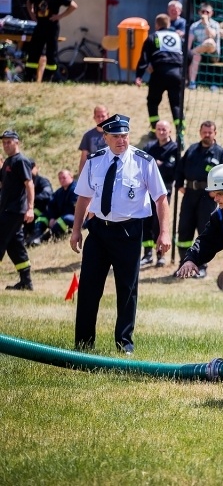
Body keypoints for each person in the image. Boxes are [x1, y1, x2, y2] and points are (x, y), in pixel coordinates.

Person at [69, 114, 171, 354]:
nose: (121, 140)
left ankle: (124, 343)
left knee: (127, 289)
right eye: (115, 136)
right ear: (104, 137)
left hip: (128, 232)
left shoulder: (143, 161)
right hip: (98, 231)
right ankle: (83, 344)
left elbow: (161, 198)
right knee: (88, 288)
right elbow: (83, 197)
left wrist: (164, 232)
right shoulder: (94, 161)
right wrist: (75, 231)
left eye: (124, 135)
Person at [174, 121, 223, 278]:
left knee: (204, 231)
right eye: (204, 132)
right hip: (189, 196)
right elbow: (180, 168)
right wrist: (179, 184)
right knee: (184, 229)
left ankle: (201, 266)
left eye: (209, 132)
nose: (206, 135)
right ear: (200, 132)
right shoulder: (192, 150)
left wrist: (220, 194)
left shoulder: (221, 154)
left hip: (208, 198)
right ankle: (183, 264)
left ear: (215, 133)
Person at [134, 14, 184, 135]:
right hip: (177, 74)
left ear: (157, 25)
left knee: (153, 101)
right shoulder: (178, 38)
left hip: (159, 73)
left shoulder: (153, 37)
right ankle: (180, 132)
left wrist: (139, 75)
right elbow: (189, 55)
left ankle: (154, 130)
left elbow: (144, 58)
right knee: (176, 104)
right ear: (169, 24)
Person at [25, 0, 77, 82]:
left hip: (51, 27)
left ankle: (50, 77)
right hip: (39, 26)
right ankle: (29, 77)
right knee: (34, 51)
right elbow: (29, 2)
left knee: (51, 53)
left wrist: (59, 16)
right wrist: (32, 14)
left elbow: (73, 6)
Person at [0, 130, 35, 290]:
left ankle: (25, 282)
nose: (6, 145)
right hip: (6, 209)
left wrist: (30, 208)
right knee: (15, 246)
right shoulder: (8, 161)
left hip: (14, 211)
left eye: (9, 142)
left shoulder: (20, 161)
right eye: (4, 142)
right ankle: (26, 282)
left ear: (17, 142)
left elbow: (29, 184)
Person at [141, 120, 178, 267]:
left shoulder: (174, 148)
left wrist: (158, 165)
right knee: (146, 222)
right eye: (159, 129)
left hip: (164, 190)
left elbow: (172, 169)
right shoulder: (149, 147)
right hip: (146, 189)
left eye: (164, 129)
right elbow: (143, 166)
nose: (161, 132)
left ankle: (160, 255)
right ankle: (147, 254)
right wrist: (159, 164)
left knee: (159, 223)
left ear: (170, 131)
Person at [187, 2, 221, 90]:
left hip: (213, 53)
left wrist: (206, 23)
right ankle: (192, 82)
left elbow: (212, 36)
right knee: (195, 56)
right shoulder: (194, 26)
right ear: (199, 12)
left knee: (209, 41)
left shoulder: (215, 24)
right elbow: (189, 42)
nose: (205, 14)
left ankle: (192, 52)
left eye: (207, 12)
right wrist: (187, 53)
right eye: (203, 12)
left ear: (212, 13)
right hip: (199, 53)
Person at [23, 160, 53, 247]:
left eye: (31, 168)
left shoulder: (42, 181)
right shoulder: (25, 182)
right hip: (31, 208)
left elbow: (47, 194)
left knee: (34, 219)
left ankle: (34, 239)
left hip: (44, 209)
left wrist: (32, 199)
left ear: (36, 168)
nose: (29, 170)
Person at [45, 169, 78, 241]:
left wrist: (59, 218)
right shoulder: (59, 192)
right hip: (62, 217)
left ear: (71, 177)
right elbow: (51, 205)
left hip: (77, 219)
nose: (62, 180)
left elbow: (74, 208)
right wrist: (52, 217)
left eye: (64, 178)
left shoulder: (76, 189)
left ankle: (48, 237)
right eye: (60, 178)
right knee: (44, 216)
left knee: (64, 219)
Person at [78, 105, 110, 174]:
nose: (101, 119)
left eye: (103, 116)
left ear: (108, 116)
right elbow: (83, 159)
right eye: (98, 116)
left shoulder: (114, 134)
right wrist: (81, 177)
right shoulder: (88, 135)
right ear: (94, 117)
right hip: (95, 173)